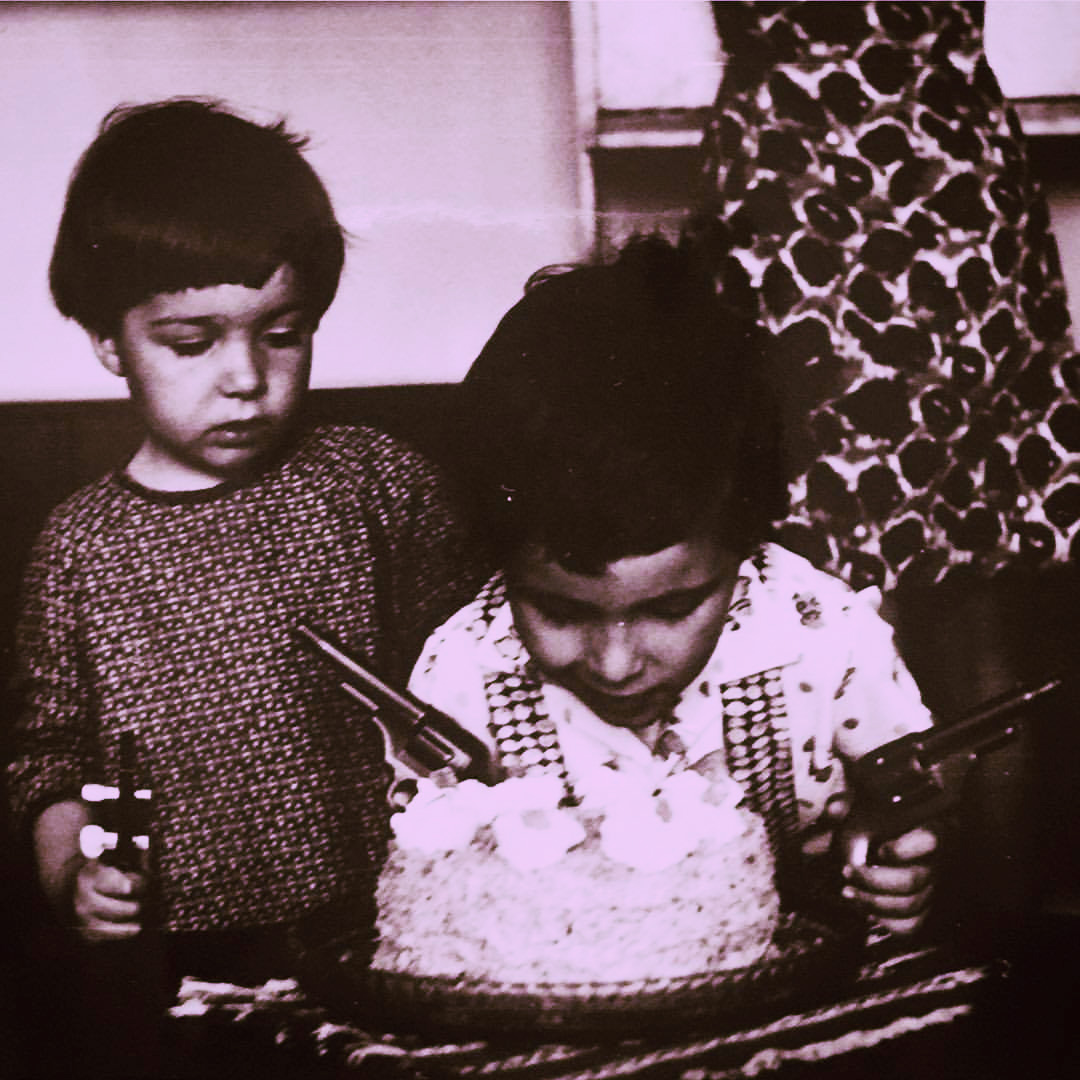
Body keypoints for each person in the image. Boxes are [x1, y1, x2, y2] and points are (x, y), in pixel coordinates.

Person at [4, 99, 477, 1072]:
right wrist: (70, 871)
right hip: (188, 963)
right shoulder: (80, 548)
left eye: (283, 334)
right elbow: (45, 757)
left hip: (393, 923)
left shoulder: (372, 483)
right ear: (108, 341)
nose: (246, 377)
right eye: (192, 343)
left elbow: (477, 661)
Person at [408, 236, 938, 937]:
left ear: (746, 547)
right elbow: (431, 878)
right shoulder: (459, 678)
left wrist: (897, 863)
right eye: (560, 611)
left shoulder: (827, 638)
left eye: (673, 608)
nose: (615, 664)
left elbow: (914, 794)